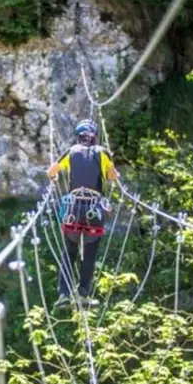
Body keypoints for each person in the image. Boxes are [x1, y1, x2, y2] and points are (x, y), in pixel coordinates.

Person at [46, 119, 119, 308]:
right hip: (94, 211)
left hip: (73, 210)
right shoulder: (102, 152)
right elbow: (113, 176)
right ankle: (84, 294)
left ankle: (63, 295)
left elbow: (51, 171)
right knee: (90, 253)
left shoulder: (70, 152)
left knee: (69, 252)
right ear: (94, 138)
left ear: (78, 137)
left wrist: (54, 178)